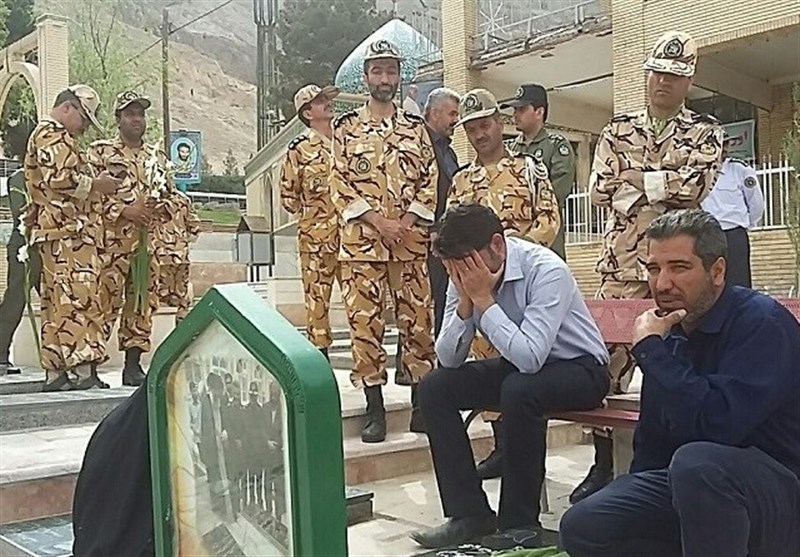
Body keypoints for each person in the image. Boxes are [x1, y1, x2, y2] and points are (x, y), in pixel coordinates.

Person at [560, 209, 800, 557]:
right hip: (695, 488)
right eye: (653, 269)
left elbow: (718, 425)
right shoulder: (669, 332)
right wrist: (630, 495)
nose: (662, 284)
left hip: (779, 495)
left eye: (679, 267)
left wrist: (652, 352)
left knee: (696, 463)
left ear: (717, 271)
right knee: (584, 525)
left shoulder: (762, 324)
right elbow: (653, 442)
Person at [572, 30, 725, 504]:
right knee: (606, 363)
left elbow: (696, 187)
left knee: (682, 360)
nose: (663, 82)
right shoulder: (617, 130)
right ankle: (603, 464)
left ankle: (672, 458)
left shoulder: (706, 132)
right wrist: (663, 186)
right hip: (622, 263)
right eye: (657, 72)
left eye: (674, 75)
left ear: (689, 81)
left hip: (681, 268)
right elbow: (599, 190)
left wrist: (636, 180)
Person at [410, 203, 609, 551]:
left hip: (581, 370)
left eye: (466, 264)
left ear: (497, 245)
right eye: (452, 268)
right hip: (522, 368)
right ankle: (469, 514)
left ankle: (520, 524)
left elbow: (531, 357)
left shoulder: (546, 270)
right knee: (435, 388)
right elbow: (449, 359)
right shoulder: (463, 274)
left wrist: (484, 301)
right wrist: (466, 305)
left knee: (519, 389)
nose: (460, 274)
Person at [450, 88, 561, 480]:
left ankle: (528, 453)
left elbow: (548, 219)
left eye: (485, 125)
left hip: (522, 285)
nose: (479, 134)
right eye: (471, 129)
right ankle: (502, 447)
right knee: (489, 363)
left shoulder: (529, 169)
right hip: (481, 289)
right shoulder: (462, 181)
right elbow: (452, 233)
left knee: (528, 366)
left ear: (499, 123)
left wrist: (514, 257)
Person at [330, 39, 438, 443]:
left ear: (398, 76)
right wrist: (379, 222)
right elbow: (339, 184)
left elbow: (430, 180)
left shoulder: (416, 129)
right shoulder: (346, 129)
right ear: (366, 76)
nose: (384, 78)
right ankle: (373, 408)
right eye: (377, 71)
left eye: (391, 71)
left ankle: (420, 407)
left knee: (418, 322)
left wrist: (405, 222)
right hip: (363, 247)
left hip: (409, 243)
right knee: (365, 326)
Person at [24, 85, 121, 391]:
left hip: (61, 233)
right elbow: (60, 179)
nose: (85, 127)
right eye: (84, 119)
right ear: (68, 108)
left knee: (58, 304)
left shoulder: (55, 137)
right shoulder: (52, 135)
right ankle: (82, 370)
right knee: (80, 299)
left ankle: (56, 373)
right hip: (69, 235)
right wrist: (97, 184)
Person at [87, 91, 168, 386]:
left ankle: (132, 366)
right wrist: (125, 211)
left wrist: (156, 208)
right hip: (111, 246)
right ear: (118, 119)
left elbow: (170, 196)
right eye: (130, 114)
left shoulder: (157, 157)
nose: (137, 119)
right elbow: (90, 195)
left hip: (147, 245)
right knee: (103, 304)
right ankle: (90, 367)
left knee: (141, 304)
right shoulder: (100, 153)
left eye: (140, 114)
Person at [279, 84, 342, 360]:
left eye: (327, 98)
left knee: (360, 300)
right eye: (320, 101)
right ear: (307, 113)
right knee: (317, 301)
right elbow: (287, 195)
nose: (328, 103)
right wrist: (313, 217)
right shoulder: (300, 150)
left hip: (352, 237)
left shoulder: (346, 141)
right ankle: (320, 358)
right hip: (316, 240)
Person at [500, 83, 575, 260]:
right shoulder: (507, 149)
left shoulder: (556, 146)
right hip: (511, 240)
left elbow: (558, 190)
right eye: (514, 109)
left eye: (521, 109)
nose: (515, 114)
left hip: (545, 239)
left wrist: (523, 208)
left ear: (539, 112)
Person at [422, 87, 460, 339]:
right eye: (452, 114)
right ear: (435, 114)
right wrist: (431, 228)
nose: (456, 120)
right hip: (424, 240)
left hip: (445, 242)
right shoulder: (418, 144)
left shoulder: (448, 150)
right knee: (420, 309)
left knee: (443, 304)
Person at [701, 136, 764, 287]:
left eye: (724, 144)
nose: (721, 148)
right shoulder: (697, 171)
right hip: (706, 234)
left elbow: (756, 204)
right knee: (708, 282)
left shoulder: (740, 170)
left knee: (738, 283)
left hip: (733, 235)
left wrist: (744, 224)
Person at [0, 169, 41, 375]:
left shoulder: (55, 172)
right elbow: (22, 213)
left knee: (57, 304)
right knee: (15, 301)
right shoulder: (19, 177)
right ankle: (1, 354)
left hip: (51, 246)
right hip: (25, 246)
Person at [153, 190, 200, 324]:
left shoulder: (150, 197)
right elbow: (195, 227)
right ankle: (181, 326)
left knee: (157, 296)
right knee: (180, 295)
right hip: (180, 256)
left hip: (157, 256)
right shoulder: (182, 198)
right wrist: (182, 242)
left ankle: (160, 328)